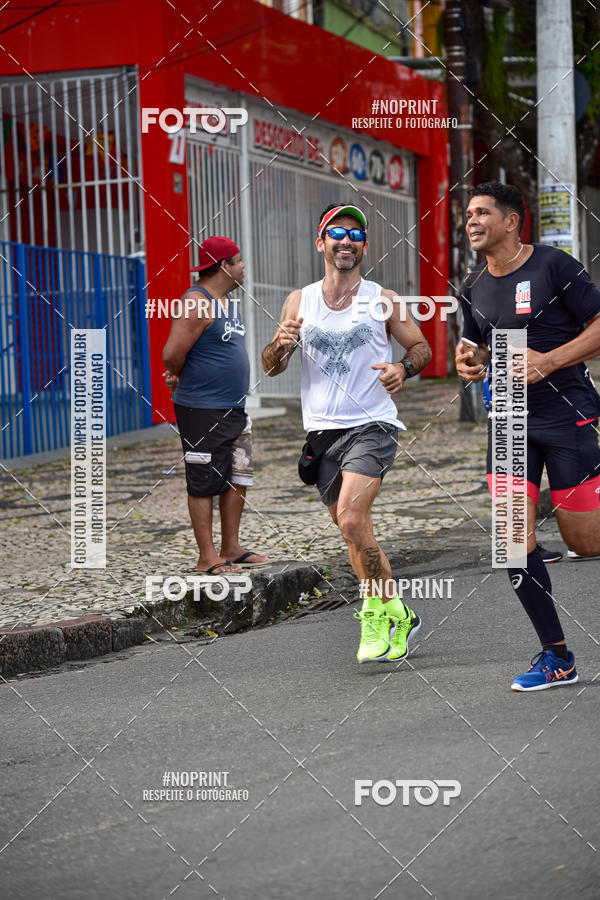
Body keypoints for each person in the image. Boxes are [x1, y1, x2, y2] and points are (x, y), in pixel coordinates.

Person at [261, 203, 432, 663]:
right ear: (321, 242)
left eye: (355, 234)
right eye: (336, 232)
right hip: (321, 436)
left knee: (354, 520)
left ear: (364, 247)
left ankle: (374, 614)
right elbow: (271, 367)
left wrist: (402, 367)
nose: (346, 240)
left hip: (372, 425)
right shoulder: (300, 301)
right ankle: (396, 611)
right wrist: (280, 344)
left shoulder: (382, 298)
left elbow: (420, 347)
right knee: (353, 532)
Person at [456, 181, 600, 691]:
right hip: (512, 419)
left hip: (568, 416)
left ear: (512, 221)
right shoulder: (473, 283)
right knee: (513, 540)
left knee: (585, 540)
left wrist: (550, 361)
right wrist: (469, 361)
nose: (471, 220)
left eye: (482, 213)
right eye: (468, 214)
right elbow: (472, 343)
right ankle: (556, 655)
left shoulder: (553, 266)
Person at [163, 236, 269, 574]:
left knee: (239, 473)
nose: (243, 268)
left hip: (233, 407)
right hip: (202, 409)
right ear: (224, 266)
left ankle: (231, 547)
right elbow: (171, 354)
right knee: (204, 479)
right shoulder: (197, 301)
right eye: (238, 261)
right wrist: (178, 374)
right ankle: (207, 557)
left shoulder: (226, 301)